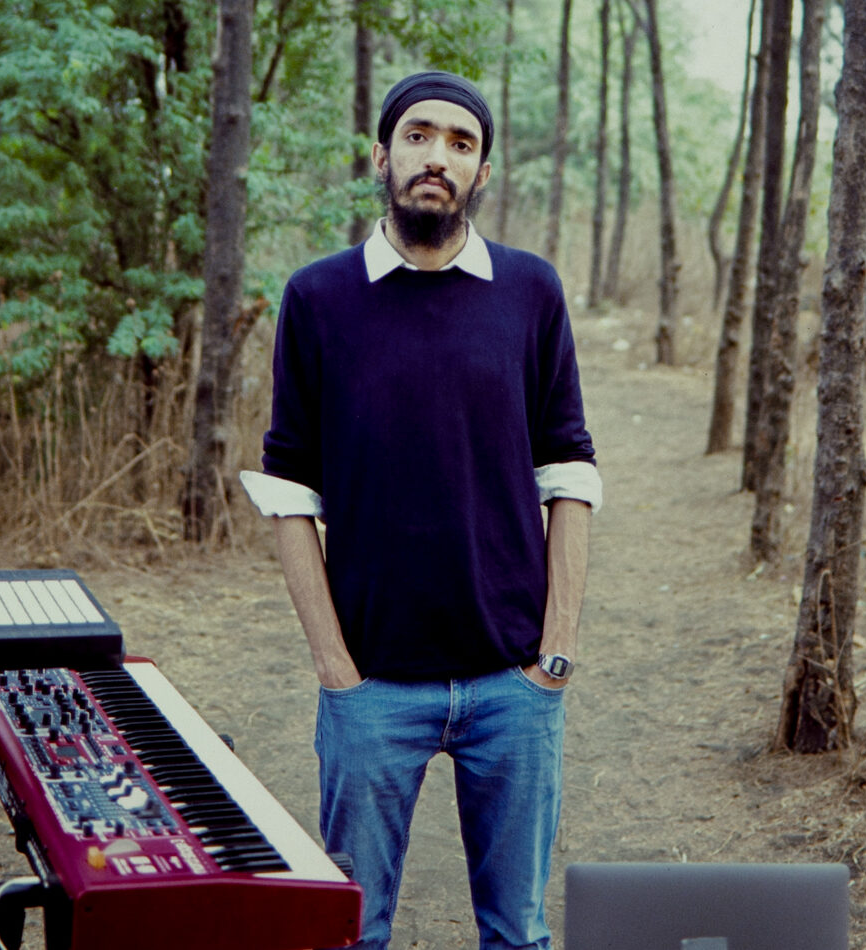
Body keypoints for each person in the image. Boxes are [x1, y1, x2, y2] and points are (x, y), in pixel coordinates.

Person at [240, 70, 601, 950]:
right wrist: (334, 668)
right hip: (371, 691)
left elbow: (570, 473)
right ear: (381, 155)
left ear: (481, 172)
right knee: (353, 933)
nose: (436, 156)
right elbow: (289, 493)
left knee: (517, 933)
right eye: (417, 135)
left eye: (460, 142)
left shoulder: (530, 292)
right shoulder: (318, 298)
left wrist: (552, 657)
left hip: (512, 685)